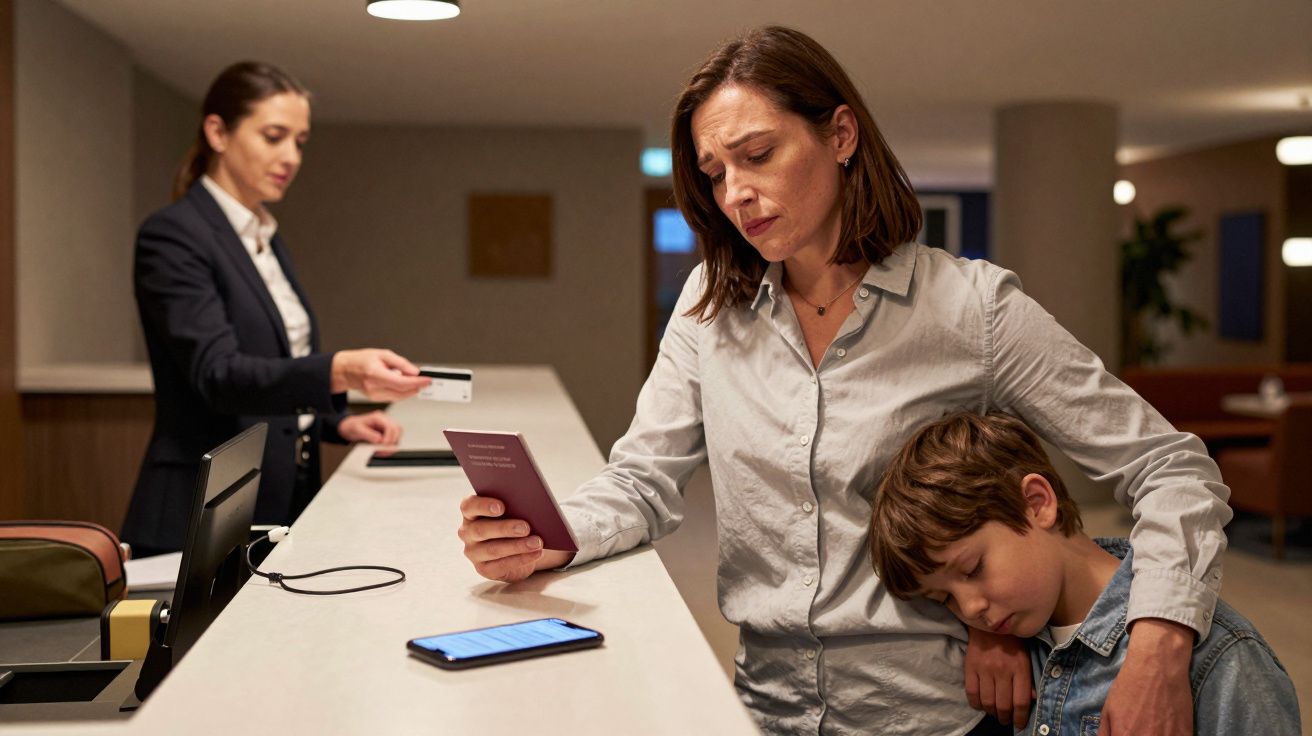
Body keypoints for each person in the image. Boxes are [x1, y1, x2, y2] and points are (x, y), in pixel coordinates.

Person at [458, 26, 1232, 736]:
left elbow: (1169, 468)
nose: (735, 193)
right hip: (765, 708)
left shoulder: (971, 308)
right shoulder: (708, 310)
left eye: (758, 154)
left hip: (939, 716)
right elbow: (641, 481)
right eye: (716, 173)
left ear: (840, 135)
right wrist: (547, 536)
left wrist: (1158, 645)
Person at [123, 61, 430, 556]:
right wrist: (339, 370)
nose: (291, 157)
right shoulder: (174, 236)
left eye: (300, 141)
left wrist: (334, 423)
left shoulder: (264, 236)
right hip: (203, 510)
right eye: (273, 136)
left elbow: (274, 368)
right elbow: (219, 376)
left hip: (279, 500)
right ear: (218, 133)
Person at [870, 411, 1302, 735]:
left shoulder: (1222, 660)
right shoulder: (1018, 650)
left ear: (1038, 503)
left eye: (972, 569)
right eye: (944, 599)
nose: (970, 609)